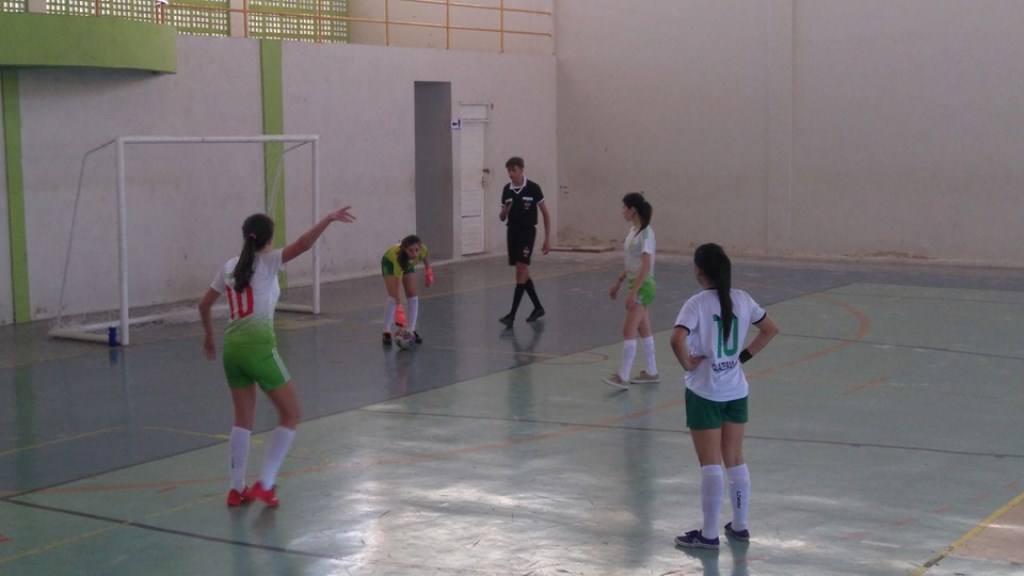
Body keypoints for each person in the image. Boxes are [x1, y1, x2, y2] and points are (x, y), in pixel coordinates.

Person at [199, 206, 356, 507]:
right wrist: (329, 219)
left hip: (232, 349)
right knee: (292, 414)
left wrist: (208, 335)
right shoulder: (269, 262)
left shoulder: (229, 266)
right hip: (258, 347)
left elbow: (203, 305)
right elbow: (303, 245)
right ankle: (266, 483)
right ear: (268, 240)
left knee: (242, 419)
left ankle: (236, 488)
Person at [670, 243, 778, 548]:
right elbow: (770, 328)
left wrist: (688, 364)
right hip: (735, 389)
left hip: (705, 391)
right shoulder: (742, 299)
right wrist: (742, 358)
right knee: (734, 458)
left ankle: (708, 534)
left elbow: (677, 338)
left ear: (699, 271)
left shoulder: (697, 304)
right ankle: (741, 525)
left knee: (710, 463)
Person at [604, 192, 659, 390]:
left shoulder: (646, 234)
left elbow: (645, 266)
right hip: (635, 284)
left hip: (643, 286)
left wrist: (633, 292)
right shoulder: (633, 232)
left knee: (629, 330)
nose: (622, 212)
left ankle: (623, 377)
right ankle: (652, 372)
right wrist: (619, 281)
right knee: (644, 329)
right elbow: (632, 262)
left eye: (624, 208)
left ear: (633, 210)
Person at [498, 156, 550, 328]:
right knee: (523, 271)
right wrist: (505, 210)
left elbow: (545, 214)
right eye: (508, 171)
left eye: (513, 170)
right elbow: (501, 217)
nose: (510, 174)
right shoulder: (507, 190)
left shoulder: (533, 188)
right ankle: (538, 307)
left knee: (520, 270)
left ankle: (511, 315)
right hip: (512, 231)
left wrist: (547, 239)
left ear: (521, 169)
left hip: (527, 232)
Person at [381, 234, 433, 345]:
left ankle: (411, 330)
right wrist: (399, 308)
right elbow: (397, 285)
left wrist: (428, 272)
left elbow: (426, 255)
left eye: (416, 250)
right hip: (390, 263)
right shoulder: (399, 259)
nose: (414, 253)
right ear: (404, 250)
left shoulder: (422, 249)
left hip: (408, 264)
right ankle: (386, 332)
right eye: (411, 251)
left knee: (412, 294)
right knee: (393, 296)